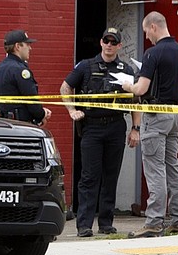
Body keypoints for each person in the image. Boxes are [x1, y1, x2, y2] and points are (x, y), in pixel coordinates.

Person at [60, 27, 141, 237]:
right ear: (101, 42)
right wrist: (72, 110)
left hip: (115, 125)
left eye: (114, 42)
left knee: (111, 176)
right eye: (107, 41)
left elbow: (136, 101)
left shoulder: (126, 70)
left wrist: (135, 129)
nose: (109, 45)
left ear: (119, 46)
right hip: (92, 127)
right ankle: (84, 225)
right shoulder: (86, 66)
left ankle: (106, 223)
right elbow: (65, 87)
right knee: (89, 176)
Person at [121, 11, 178, 238]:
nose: (147, 37)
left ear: (153, 27)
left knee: (155, 169)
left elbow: (141, 89)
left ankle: (154, 222)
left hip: (155, 115)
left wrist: (127, 86)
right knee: (173, 167)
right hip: (175, 116)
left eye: (146, 32)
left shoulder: (152, 54)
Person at [0, 29, 52, 125]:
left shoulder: (0, 68)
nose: (30, 48)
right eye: (27, 44)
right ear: (17, 46)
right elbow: (31, 100)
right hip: (22, 125)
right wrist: (42, 114)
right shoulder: (20, 70)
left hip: (5, 123)